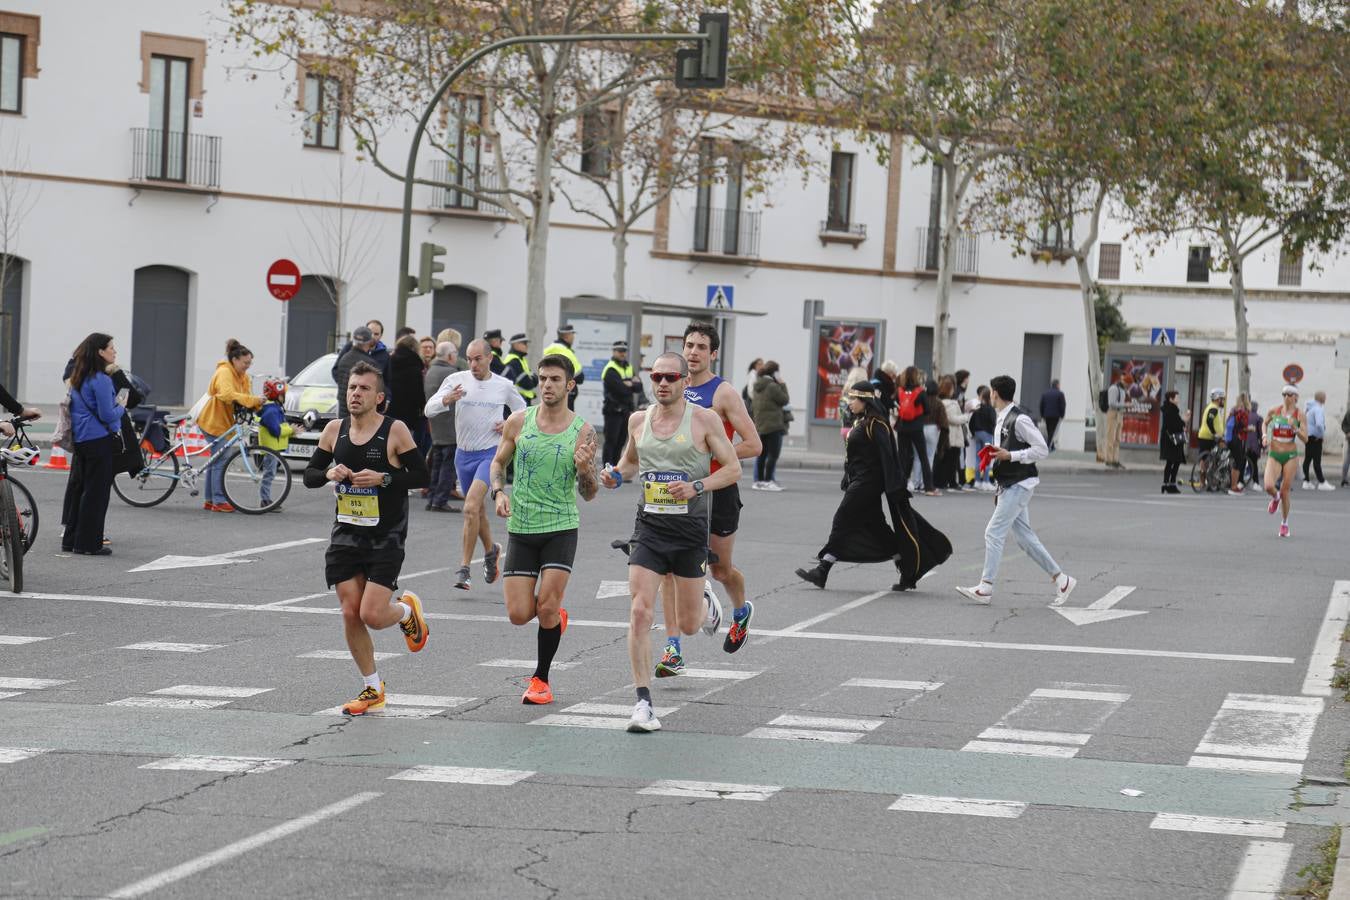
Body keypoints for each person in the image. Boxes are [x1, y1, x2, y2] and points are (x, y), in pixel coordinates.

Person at [600, 352, 740, 733]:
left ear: (684, 382)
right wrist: (614, 475)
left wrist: (696, 485)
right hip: (649, 529)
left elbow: (733, 468)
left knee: (691, 625)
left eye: (670, 377)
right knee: (640, 612)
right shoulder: (638, 420)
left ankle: (704, 598)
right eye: (657, 376)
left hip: (690, 532)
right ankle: (643, 702)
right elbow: (629, 463)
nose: (662, 383)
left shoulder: (705, 420)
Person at [303, 362, 430, 715]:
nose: (355, 394)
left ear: (379, 397)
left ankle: (406, 610)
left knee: (372, 614)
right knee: (349, 612)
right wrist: (328, 471)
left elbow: (422, 474)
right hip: (346, 534)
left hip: (386, 535)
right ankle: (372, 688)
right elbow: (310, 476)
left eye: (362, 389)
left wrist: (384, 479)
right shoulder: (334, 430)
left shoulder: (395, 431)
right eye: (351, 388)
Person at [490, 354, 601, 705]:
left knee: (548, 607)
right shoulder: (519, 421)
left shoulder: (582, 430)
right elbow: (498, 462)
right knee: (519, 614)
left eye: (555, 379)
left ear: (569, 385)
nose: (547, 385)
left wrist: (584, 470)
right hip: (521, 527)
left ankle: (540, 679)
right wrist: (497, 491)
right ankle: (554, 619)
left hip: (560, 526)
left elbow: (590, 492)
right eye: (542, 379)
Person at [665, 321, 762, 669]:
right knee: (671, 566)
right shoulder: (671, 384)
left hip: (718, 489)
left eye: (701, 347)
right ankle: (673, 648)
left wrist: (715, 458)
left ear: (713, 353)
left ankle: (741, 610)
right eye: (689, 345)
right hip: (677, 490)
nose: (692, 352)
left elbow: (754, 443)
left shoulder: (724, 393)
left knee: (721, 570)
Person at [795, 383, 952, 592]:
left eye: (854, 399)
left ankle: (822, 570)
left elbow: (889, 456)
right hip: (859, 481)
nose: (850, 403)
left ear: (865, 400)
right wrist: (847, 475)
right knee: (878, 528)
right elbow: (855, 455)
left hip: (867, 484)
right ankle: (908, 571)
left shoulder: (877, 424)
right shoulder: (862, 421)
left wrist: (895, 486)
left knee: (842, 520)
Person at [957, 375, 1077, 605]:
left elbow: (1041, 449)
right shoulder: (1002, 417)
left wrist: (1010, 455)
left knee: (993, 532)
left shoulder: (1019, 419)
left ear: (995, 393)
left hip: (1020, 483)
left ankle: (986, 588)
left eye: (992, 391)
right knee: (1025, 538)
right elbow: (1005, 451)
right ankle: (1062, 580)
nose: (990, 394)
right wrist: (999, 474)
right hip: (1010, 483)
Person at [424, 339, 526, 591]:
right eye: (469, 359)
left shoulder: (503, 385)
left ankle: (464, 569)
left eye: (478, 359)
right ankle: (491, 551)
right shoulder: (457, 379)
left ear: (490, 358)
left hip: (490, 455)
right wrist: (446, 399)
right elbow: (428, 409)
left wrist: (509, 423)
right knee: (477, 512)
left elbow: (524, 412)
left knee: (470, 508)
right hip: (463, 455)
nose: (473, 364)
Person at [65, 333, 124, 556]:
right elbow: (107, 414)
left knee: (81, 490)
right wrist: (122, 405)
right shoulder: (101, 379)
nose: (114, 351)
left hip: (81, 438)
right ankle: (88, 543)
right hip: (98, 438)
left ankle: (71, 540)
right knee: (96, 494)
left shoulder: (79, 375)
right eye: (110, 348)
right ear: (100, 352)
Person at [198, 339, 263, 513]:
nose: (248, 366)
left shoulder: (243, 376)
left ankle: (210, 499)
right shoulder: (224, 372)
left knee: (216, 460)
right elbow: (226, 395)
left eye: (250, 363)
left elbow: (246, 397)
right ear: (235, 360)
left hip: (224, 423)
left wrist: (258, 403)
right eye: (245, 363)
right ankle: (218, 501)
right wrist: (253, 400)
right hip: (213, 421)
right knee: (221, 460)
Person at [1263, 384, 1307, 538]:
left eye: (1290, 394)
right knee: (1268, 486)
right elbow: (1265, 423)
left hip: (1290, 456)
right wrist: (1264, 436)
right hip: (1274, 453)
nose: (1287, 397)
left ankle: (1284, 523)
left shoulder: (1299, 415)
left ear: (1296, 397)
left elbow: (1305, 438)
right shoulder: (1274, 411)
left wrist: (1295, 429)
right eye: (1284, 394)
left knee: (1285, 491)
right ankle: (1275, 498)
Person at [423, 341, 461, 512]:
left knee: (437, 464)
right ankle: (440, 500)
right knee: (448, 466)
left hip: (436, 425)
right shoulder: (451, 374)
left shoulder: (430, 371)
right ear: (450, 355)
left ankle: (432, 498)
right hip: (450, 425)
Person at [257, 378, 298, 510]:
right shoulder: (272, 411)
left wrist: (291, 431)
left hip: (273, 448)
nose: (284, 397)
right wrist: (291, 430)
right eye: (282, 394)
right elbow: (276, 431)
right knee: (269, 474)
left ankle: (266, 499)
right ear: (277, 395)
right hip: (271, 448)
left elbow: (279, 427)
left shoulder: (274, 409)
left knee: (270, 473)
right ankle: (265, 500)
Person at [895, 365, 935, 495]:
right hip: (916, 428)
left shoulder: (899, 391)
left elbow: (895, 405)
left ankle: (899, 485)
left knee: (902, 457)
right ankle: (929, 487)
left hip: (902, 427)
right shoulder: (920, 391)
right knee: (923, 457)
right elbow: (927, 410)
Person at [750, 360, 789, 491]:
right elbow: (784, 399)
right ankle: (768, 481)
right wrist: (782, 384)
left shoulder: (758, 385)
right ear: (775, 372)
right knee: (773, 454)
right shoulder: (772, 386)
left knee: (762, 454)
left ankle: (759, 481)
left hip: (761, 425)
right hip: (773, 425)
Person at [601, 340, 641, 466]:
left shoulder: (628, 367)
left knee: (621, 442)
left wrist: (628, 383)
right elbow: (621, 390)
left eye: (624, 351)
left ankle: (617, 469)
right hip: (613, 410)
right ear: (614, 352)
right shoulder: (610, 369)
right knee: (611, 441)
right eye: (619, 351)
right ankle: (607, 469)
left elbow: (639, 387)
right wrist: (630, 383)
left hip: (626, 411)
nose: (622, 354)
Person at [387, 334, 428, 449]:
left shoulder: (390, 360)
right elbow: (418, 391)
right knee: (405, 443)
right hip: (409, 412)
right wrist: (422, 406)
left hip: (391, 409)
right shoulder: (415, 364)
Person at [332, 319, 392, 391]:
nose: (372, 336)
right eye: (370, 332)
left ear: (381, 335)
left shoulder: (384, 355)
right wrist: (347, 387)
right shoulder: (349, 347)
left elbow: (387, 381)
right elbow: (336, 370)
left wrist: (386, 397)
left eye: (376, 334)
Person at [334, 326, 379, 418]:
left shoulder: (344, 358)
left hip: (344, 408)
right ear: (369, 342)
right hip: (360, 412)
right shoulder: (369, 363)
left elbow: (336, 375)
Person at [936, 374, 969, 491]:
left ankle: (946, 481)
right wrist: (966, 417)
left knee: (946, 460)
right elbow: (953, 419)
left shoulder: (940, 402)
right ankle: (949, 482)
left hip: (947, 434)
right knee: (951, 460)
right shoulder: (950, 403)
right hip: (952, 435)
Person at [542, 325, 586, 410]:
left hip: (550, 393)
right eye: (572, 334)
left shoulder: (549, 349)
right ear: (567, 335)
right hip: (565, 395)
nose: (573, 337)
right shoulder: (565, 351)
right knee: (566, 421)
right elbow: (579, 377)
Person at [1303, 390, 1333, 491]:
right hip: (1316, 438)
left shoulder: (1309, 408)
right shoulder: (1318, 409)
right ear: (1321, 398)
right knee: (1317, 461)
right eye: (1325, 397)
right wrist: (1321, 435)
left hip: (1308, 436)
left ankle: (1306, 481)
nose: (1326, 399)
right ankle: (1322, 482)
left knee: (1307, 460)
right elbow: (1319, 424)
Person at [968, 385, 996, 492]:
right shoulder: (990, 409)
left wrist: (973, 432)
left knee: (978, 458)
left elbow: (971, 422)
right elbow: (993, 422)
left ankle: (977, 481)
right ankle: (986, 481)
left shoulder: (977, 409)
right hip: (987, 434)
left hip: (977, 434)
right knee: (987, 458)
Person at [1196, 389, 1226, 485]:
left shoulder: (1210, 407)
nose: (1223, 401)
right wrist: (1214, 433)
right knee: (1212, 458)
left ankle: (1203, 481)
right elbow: (1209, 421)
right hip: (1209, 437)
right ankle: (1208, 480)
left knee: (1204, 459)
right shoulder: (1213, 408)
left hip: (1204, 436)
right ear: (1218, 399)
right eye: (1222, 399)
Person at [1159, 390, 1186, 494]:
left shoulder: (1170, 409)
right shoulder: (1171, 410)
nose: (1178, 399)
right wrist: (1184, 422)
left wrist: (1182, 422)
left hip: (1169, 440)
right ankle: (1170, 484)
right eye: (1176, 398)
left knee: (1172, 462)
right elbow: (1174, 425)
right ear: (1171, 399)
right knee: (1174, 461)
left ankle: (1167, 484)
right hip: (1171, 440)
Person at [500, 333, 538, 405]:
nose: (527, 346)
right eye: (524, 343)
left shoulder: (520, 359)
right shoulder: (513, 361)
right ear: (515, 345)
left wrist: (533, 378)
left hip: (521, 400)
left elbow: (535, 378)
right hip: (517, 401)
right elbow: (528, 384)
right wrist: (533, 378)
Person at [1224, 394, 1250, 495]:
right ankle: (1233, 487)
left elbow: (1228, 423)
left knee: (1235, 460)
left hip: (1229, 438)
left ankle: (1231, 484)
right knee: (1238, 462)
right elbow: (1241, 426)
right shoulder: (1242, 412)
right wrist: (1249, 429)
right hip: (1237, 438)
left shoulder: (1233, 410)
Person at [1100, 377, 1127, 469]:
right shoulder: (1113, 388)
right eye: (1128, 383)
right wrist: (1125, 405)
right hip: (1112, 413)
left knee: (1117, 438)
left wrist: (1125, 406)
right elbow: (1111, 403)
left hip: (1120, 414)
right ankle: (1109, 460)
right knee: (1110, 437)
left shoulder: (1123, 390)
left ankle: (1115, 460)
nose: (1129, 386)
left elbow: (1121, 403)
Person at [838, 367, 869, 441]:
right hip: (857, 428)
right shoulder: (861, 393)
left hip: (845, 428)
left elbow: (841, 411)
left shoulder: (845, 392)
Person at [1039, 379, 1066, 451]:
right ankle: (1048, 445)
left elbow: (1041, 405)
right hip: (1056, 416)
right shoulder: (1060, 394)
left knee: (1049, 430)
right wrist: (1062, 415)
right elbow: (1062, 405)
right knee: (1053, 431)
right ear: (1057, 385)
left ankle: (1052, 445)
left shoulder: (1045, 394)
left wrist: (1042, 415)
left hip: (1046, 415)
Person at [1246, 401, 1264, 486]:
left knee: (1243, 462)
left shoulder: (1245, 416)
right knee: (1254, 464)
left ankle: (1242, 481)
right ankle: (1255, 483)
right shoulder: (1259, 418)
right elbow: (1260, 433)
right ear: (1256, 408)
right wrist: (1263, 445)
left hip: (1244, 444)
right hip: (1254, 445)